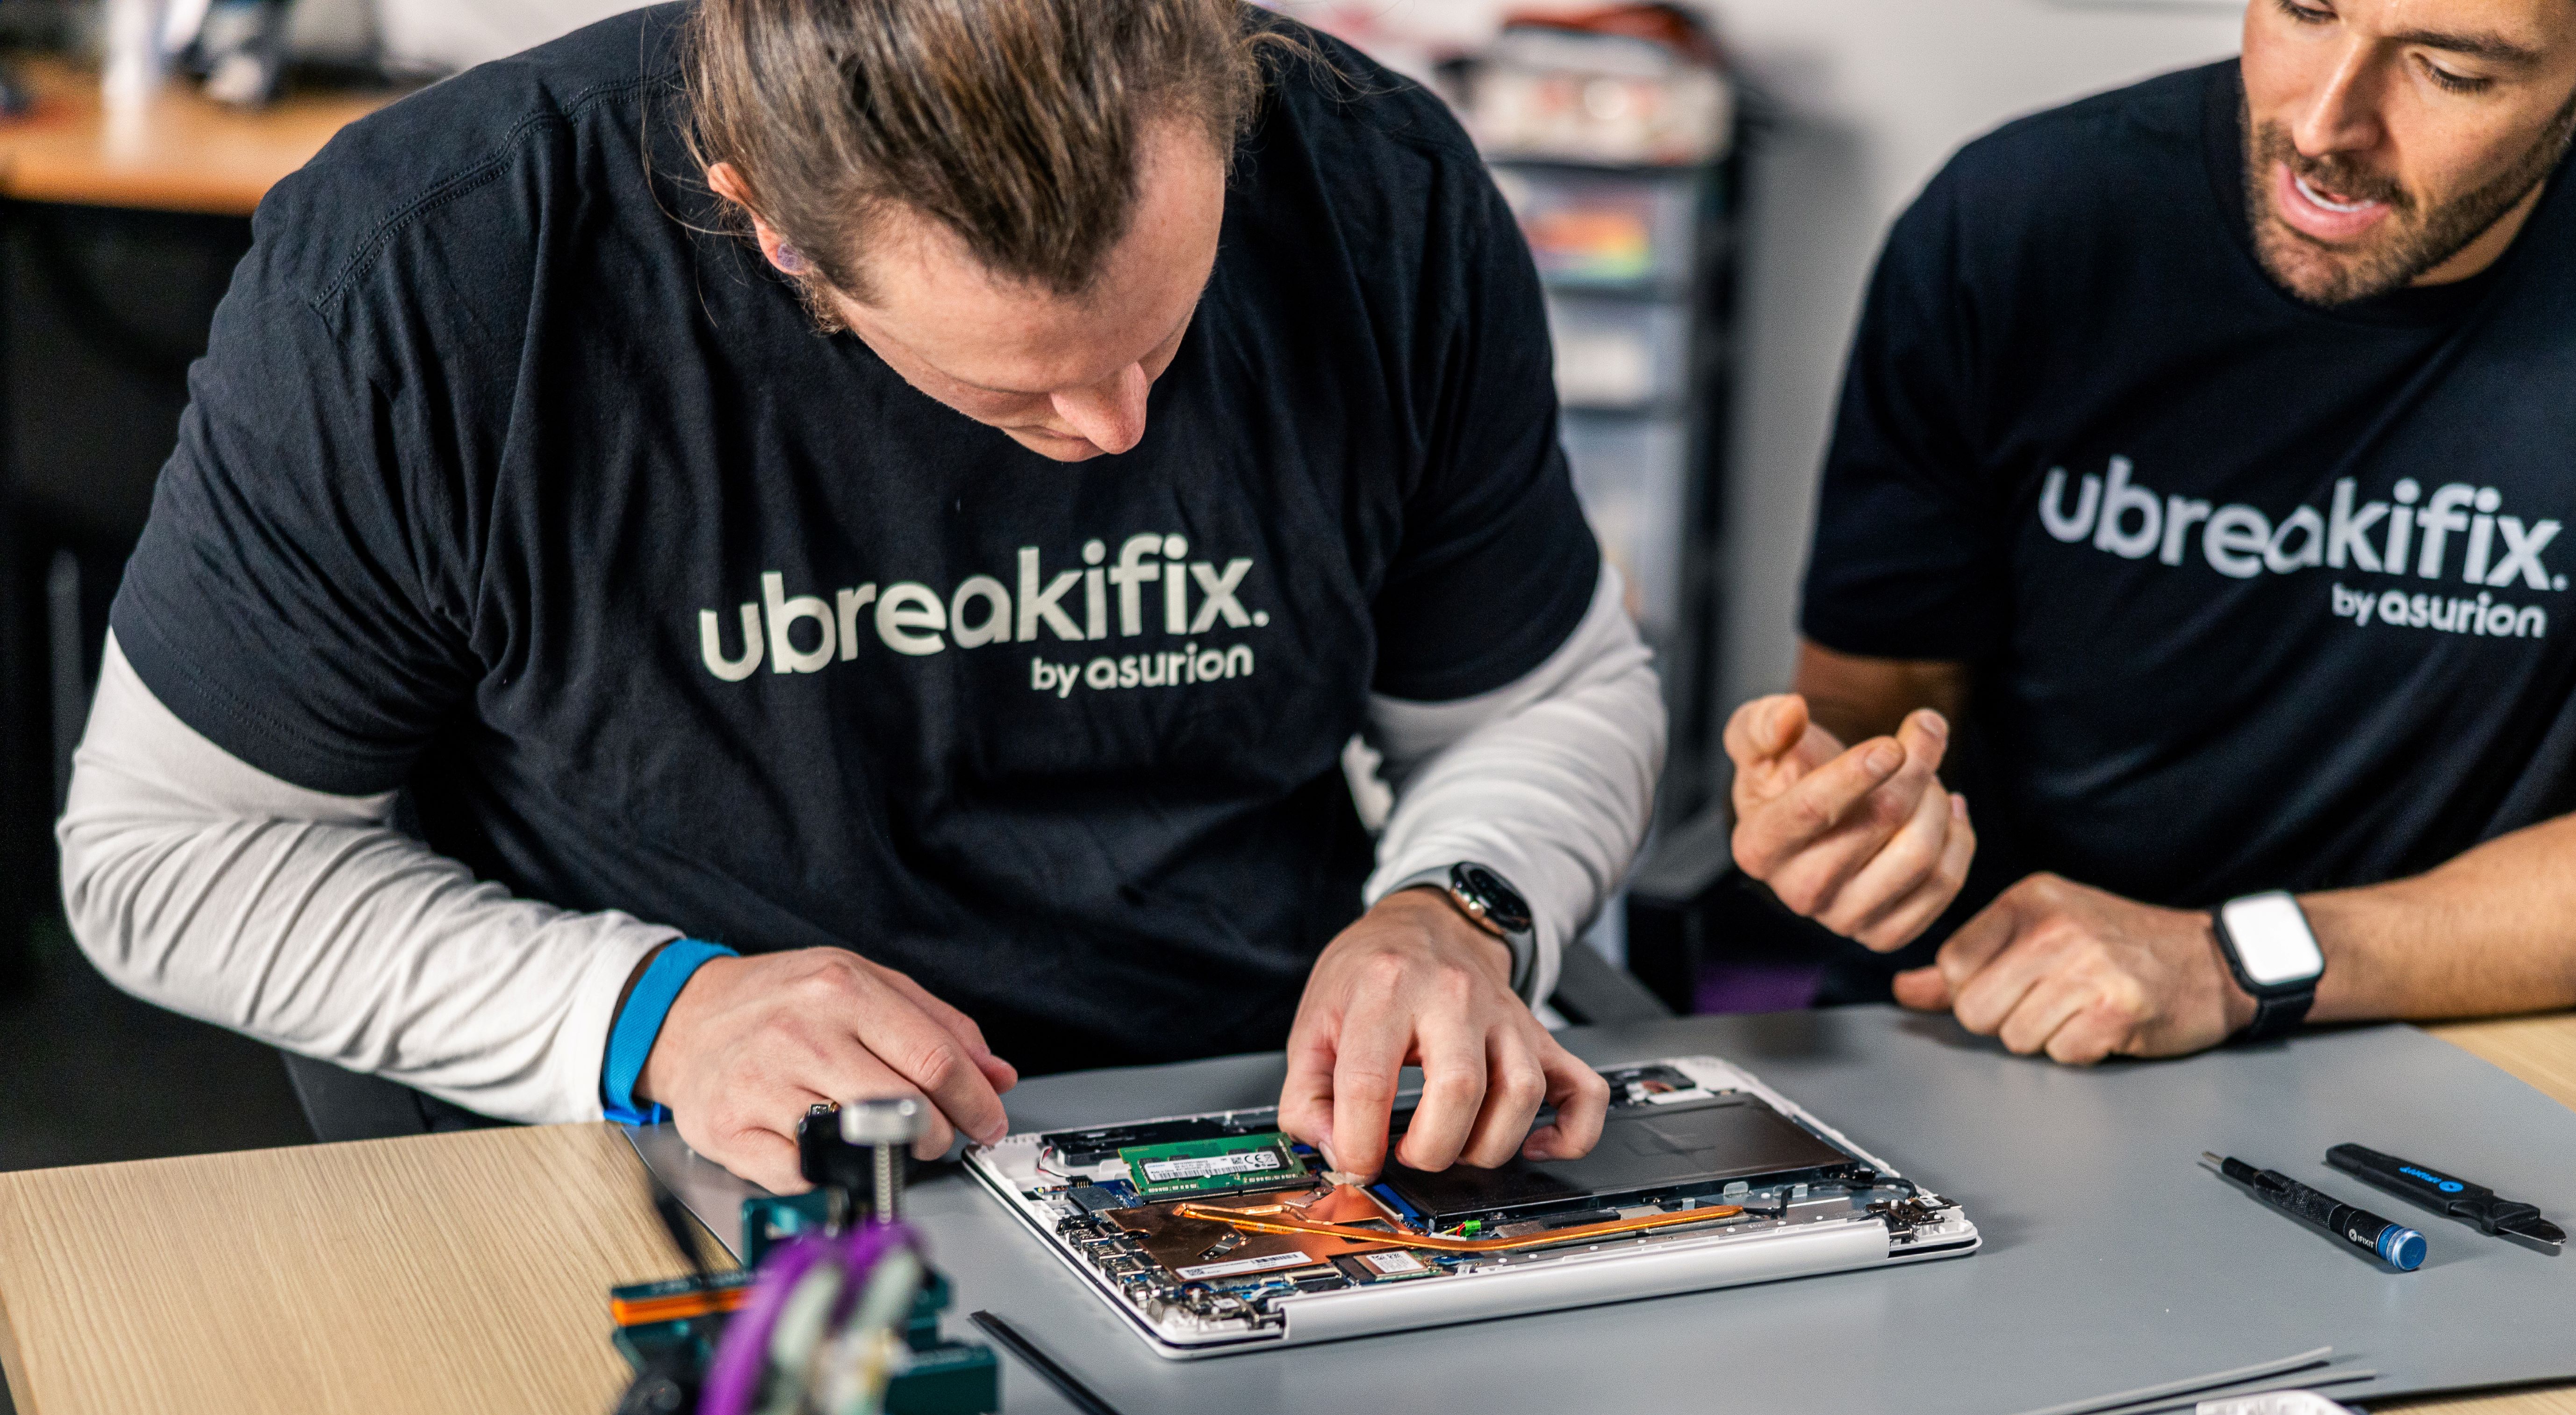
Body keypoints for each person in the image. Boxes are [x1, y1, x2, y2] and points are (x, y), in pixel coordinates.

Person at [57, 0, 1664, 1192]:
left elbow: (1545, 699)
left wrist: (1456, 914)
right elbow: (168, 858)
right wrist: (655, 1016)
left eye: (1159, 335)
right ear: (764, 221)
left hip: (1266, 1127)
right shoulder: (435, 276)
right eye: (1019, 388)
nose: (1120, 428)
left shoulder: (1377, 191)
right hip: (682, 1157)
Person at [1727, 0, 2576, 1064]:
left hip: (2484, 1049)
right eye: (2304, 10)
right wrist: (1842, 803)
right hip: (2007, 1025)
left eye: (2449, 71)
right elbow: (1877, 695)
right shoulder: (2016, 216)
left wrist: (2225, 961)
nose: (2324, 127)